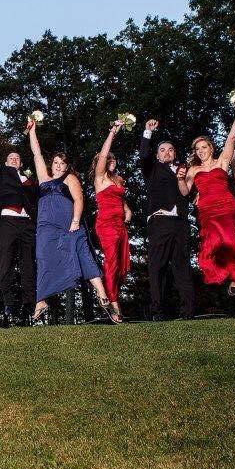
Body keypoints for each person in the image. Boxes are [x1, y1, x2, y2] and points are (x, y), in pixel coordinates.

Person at [27, 119, 120, 324]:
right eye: (56, 163)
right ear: (52, 164)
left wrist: (76, 221)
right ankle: (41, 300)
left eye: (62, 163)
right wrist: (32, 131)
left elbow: (79, 199)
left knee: (83, 256)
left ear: (67, 165)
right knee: (43, 258)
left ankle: (102, 295)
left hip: (68, 225)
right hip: (46, 226)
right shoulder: (43, 177)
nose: (59, 166)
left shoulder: (70, 179)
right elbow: (37, 153)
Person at [179, 99, 235, 296]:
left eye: (204, 147)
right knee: (213, 245)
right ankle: (226, 273)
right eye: (197, 149)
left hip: (226, 206)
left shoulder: (222, 162)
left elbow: (232, 138)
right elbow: (185, 192)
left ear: (211, 148)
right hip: (207, 210)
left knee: (228, 240)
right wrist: (180, 179)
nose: (201, 151)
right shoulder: (193, 169)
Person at [0, 120, 37, 326]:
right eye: (11, 158)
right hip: (7, 223)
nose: (14, 159)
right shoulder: (1, 174)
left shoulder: (28, 180)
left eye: (17, 158)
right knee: (6, 264)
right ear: (6, 163)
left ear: (21, 163)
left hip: (27, 224)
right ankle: (9, 305)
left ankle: (30, 305)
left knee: (28, 265)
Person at [140, 119, 194, 320]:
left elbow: (187, 193)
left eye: (170, 150)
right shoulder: (151, 168)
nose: (167, 152)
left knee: (182, 266)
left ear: (175, 153)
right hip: (159, 222)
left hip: (180, 223)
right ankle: (157, 312)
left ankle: (187, 312)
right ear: (157, 155)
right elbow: (144, 154)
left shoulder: (184, 171)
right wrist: (148, 132)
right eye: (162, 150)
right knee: (157, 267)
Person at [89, 119, 133, 320]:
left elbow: (121, 201)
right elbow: (105, 153)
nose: (111, 160)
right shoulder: (100, 178)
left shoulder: (118, 180)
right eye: (108, 159)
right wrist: (113, 132)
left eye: (114, 159)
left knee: (122, 265)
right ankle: (112, 301)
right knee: (112, 262)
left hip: (120, 225)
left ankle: (114, 294)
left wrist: (127, 210)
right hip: (106, 225)